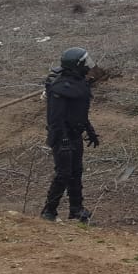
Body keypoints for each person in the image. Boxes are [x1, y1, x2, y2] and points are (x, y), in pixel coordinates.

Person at [40, 47, 99, 223]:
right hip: (61, 137)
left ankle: (76, 209)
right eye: (85, 62)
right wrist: (63, 139)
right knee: (63, 173)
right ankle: (49, 210)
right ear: (77, 65)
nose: (88, 66)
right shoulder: (60, 88)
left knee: (76, 172)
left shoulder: (79, 83)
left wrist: (89, 130)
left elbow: (79, 113)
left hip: (75, 134)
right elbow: (55, 119)